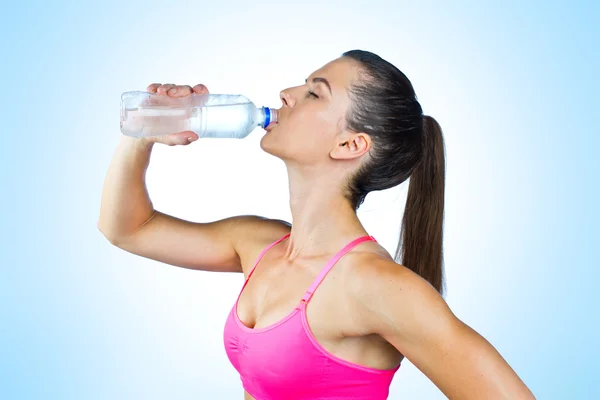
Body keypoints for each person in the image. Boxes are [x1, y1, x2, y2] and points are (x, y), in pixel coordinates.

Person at [98, 50, 535, 399]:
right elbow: (127, 228)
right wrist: (143, 130)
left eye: (314, 94)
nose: (287, 93)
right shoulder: (259, 244)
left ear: (350, 144)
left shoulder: (374, 285)